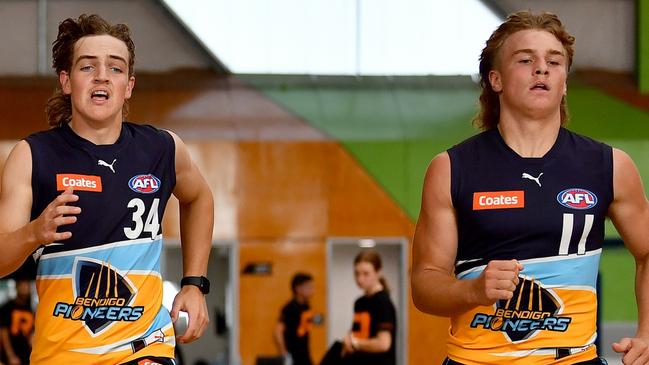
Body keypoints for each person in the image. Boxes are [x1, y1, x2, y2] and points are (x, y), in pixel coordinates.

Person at [411, 10, 649, 365]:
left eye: (554, 62)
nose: (542, 69)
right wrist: (473, 289)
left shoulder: (610, 166)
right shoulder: (450, 169)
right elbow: (424, 285)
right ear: (496, 79)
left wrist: (647, 333)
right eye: (526, 60)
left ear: (565, 82)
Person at [0, 14, 214, 364]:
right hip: (64, 353)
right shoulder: (32, 155)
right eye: (88, 67)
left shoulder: (162, 149)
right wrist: (33, 233)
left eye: (115, 68)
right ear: (67, 81)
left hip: (145, 346)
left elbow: (200, 197)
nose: (102, 75)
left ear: (128, 85)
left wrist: (194, 283)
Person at [341, 250, 396, 365]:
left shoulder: (383, 302)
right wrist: (348, 338)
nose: (360, 279)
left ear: (378, 272)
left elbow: (384, 344)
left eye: (366, 273)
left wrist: (355, 343)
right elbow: (356, 332)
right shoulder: (359, 302)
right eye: (357, 273)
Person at [274, 273, 315, 365]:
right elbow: (277, 332)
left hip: (305, 356)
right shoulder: (290, 308)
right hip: (293, 356)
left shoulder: (306, 306)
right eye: (308, 287)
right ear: (298, 288)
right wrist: (284, 354)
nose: (312, 290)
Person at [0, 279, 34, 365]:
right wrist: (10, 355)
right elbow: (3, 333)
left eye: (27, 285)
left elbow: (32, 333)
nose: (25, 288)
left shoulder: (29, 308)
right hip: (11, 355)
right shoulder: (7, 307)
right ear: (17, 287)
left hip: (26, 355)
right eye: (22, 285)